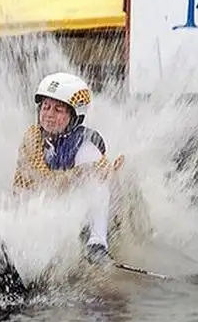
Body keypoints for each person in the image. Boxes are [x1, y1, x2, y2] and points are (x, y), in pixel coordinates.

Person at [12, 72, 122, 266]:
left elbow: (102, 184)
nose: (49, 115)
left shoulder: (86, 145)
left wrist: (86, 173)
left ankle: (97, 244)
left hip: (87, 219)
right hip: (54, 210)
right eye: (46, 107)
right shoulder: (32, 137)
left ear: (74, 116)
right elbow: (24, 187)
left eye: (58, 110)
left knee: (96, 180)